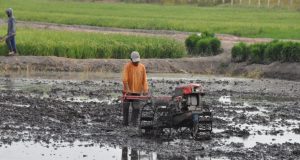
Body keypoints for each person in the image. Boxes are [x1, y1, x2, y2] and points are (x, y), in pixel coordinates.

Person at [122, 51, 148, 126]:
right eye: (135, 62)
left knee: (136, 108)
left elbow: (144, 80)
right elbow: (124, 79)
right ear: (131, 59)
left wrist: (145, 90)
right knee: (126, 107)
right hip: (127, 91)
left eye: (137, 61)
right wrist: (127, 90)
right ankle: (125, 123)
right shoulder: (127, 66)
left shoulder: (142, 67)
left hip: (137, 91)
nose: (136, 63)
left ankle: (134, 123)